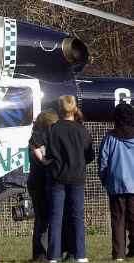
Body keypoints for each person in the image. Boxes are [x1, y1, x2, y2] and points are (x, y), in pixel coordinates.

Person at [46, 95, 94, 263]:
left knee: (56, 217)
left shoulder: (53, 129)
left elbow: (49, 154)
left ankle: (53, 255)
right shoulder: (82, 130)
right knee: (77, 217)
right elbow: (90, 155)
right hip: (77, 178)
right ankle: (80, 255)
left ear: (60, 109)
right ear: (74, 108)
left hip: (57, 178)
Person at [99, 103, 134, 261]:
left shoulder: (110, 137)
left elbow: (103, 161)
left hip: (116, 185)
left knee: (118, 220)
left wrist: (105, 180)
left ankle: (118, 254)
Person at [27, 109, 59, 262]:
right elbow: (43, 158)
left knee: (42, 219)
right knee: (43, 219)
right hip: (41, 181)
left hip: (36, 181)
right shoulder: (39, 137)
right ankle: (41, 254)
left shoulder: (37, 135)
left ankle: (40, 253)